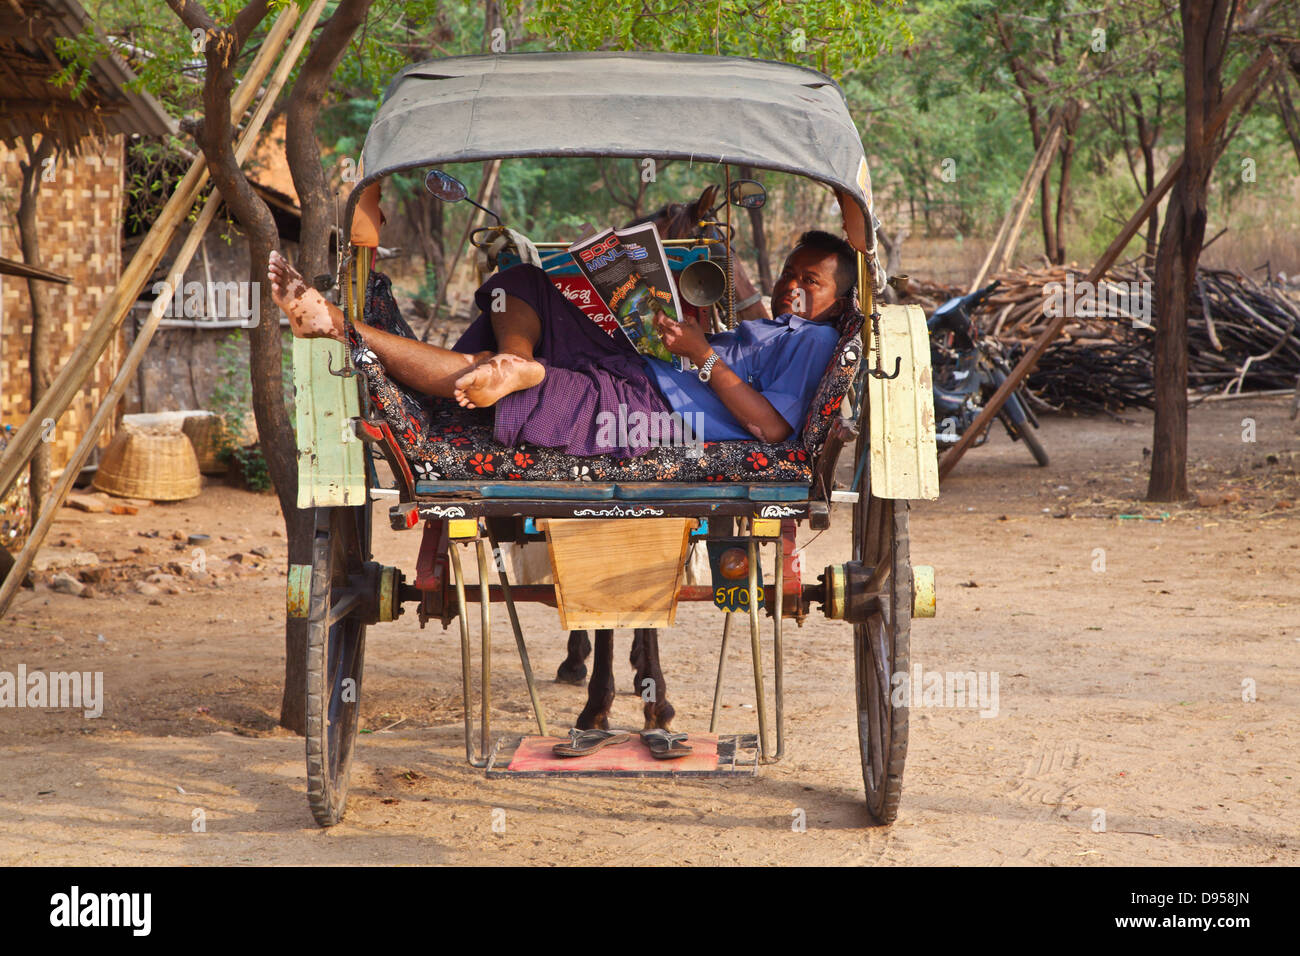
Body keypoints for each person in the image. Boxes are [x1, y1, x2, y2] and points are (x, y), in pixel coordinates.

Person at [267, 230, 853, 456]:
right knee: (529, 282)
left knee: (499, 372)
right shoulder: (774, 326)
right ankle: (515, 360)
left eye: (811, 281)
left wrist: (702, 357)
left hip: (656, 409)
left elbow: (771, 429)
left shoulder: (814, 340)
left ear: (838, 296)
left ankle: (335, 325)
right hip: (646, 364)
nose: (792, 287)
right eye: (789, 274)